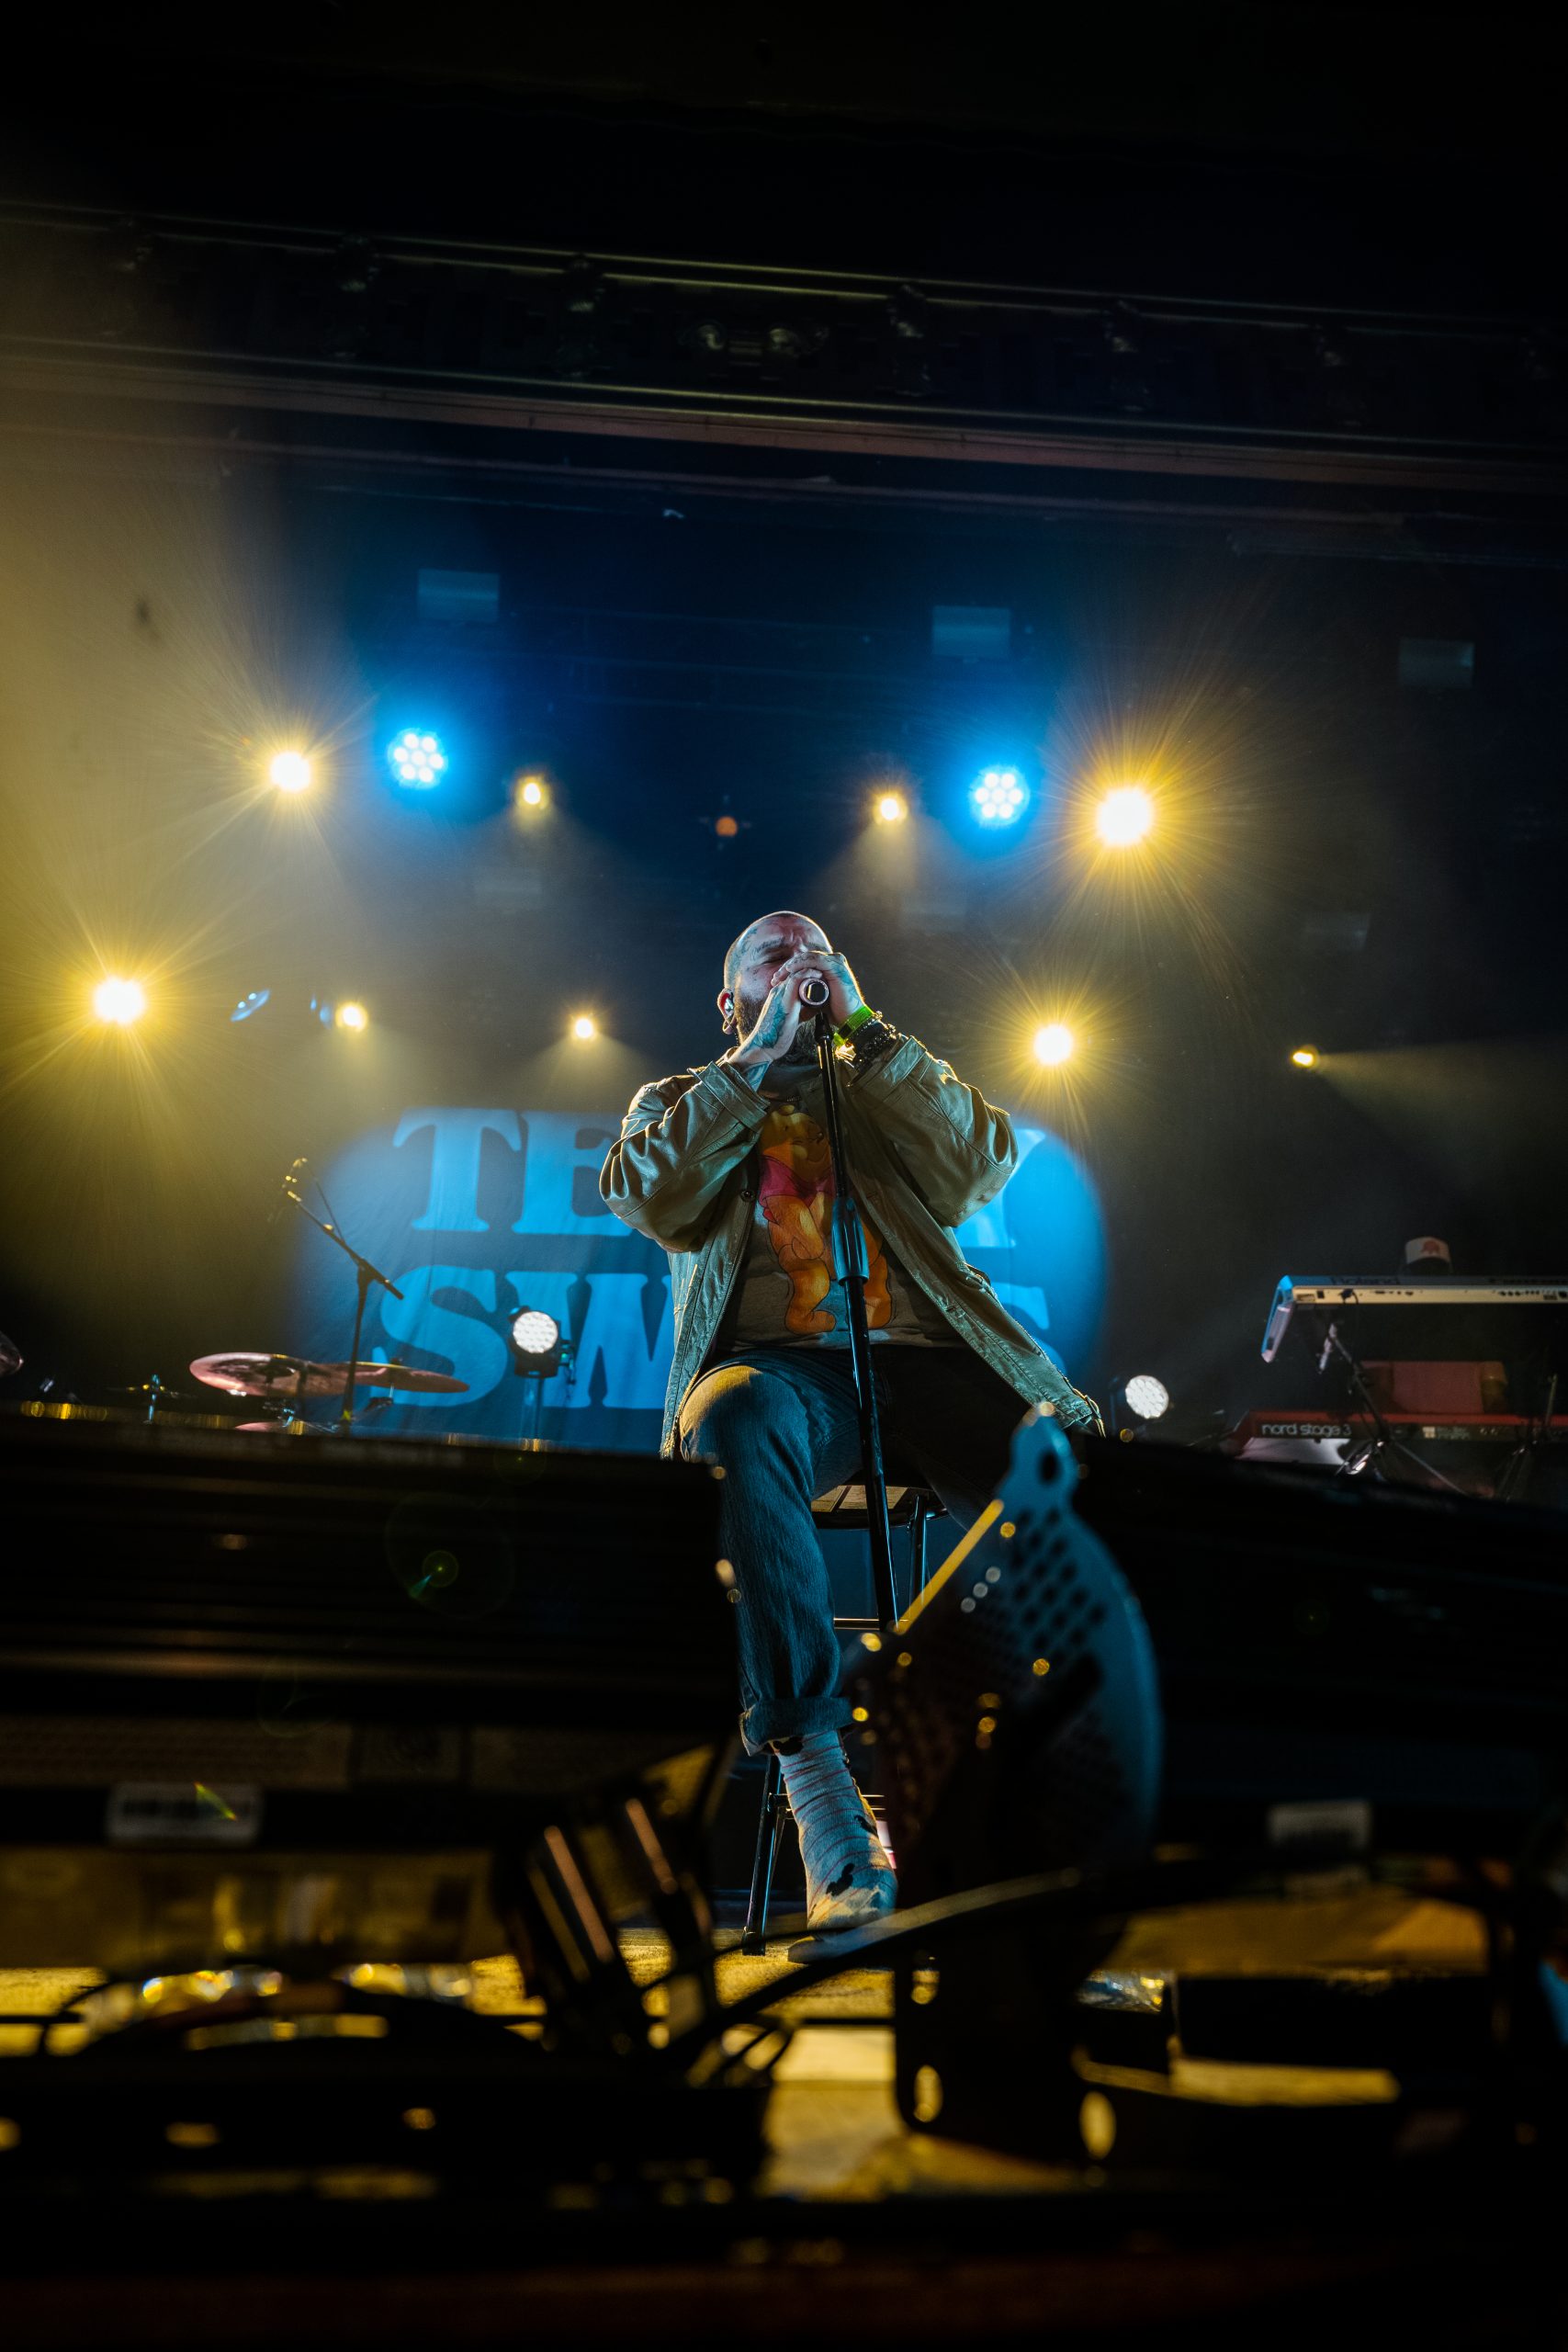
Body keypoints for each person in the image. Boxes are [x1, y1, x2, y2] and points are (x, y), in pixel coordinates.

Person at [601, 911, 1100, 1934]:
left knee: (1077, 1462)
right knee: (731, 1416)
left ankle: (1083, 1794)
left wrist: (868, 1035)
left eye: (815, 952)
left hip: (929, 1363)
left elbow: (976, 1169)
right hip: (786, 1376)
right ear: (730, 1000)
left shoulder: (878, 1077)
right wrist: (752, 1065)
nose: (800, 965)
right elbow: (653, 1198)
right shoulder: (681, 1097)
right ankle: (826, 1805)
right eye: (772, 956)